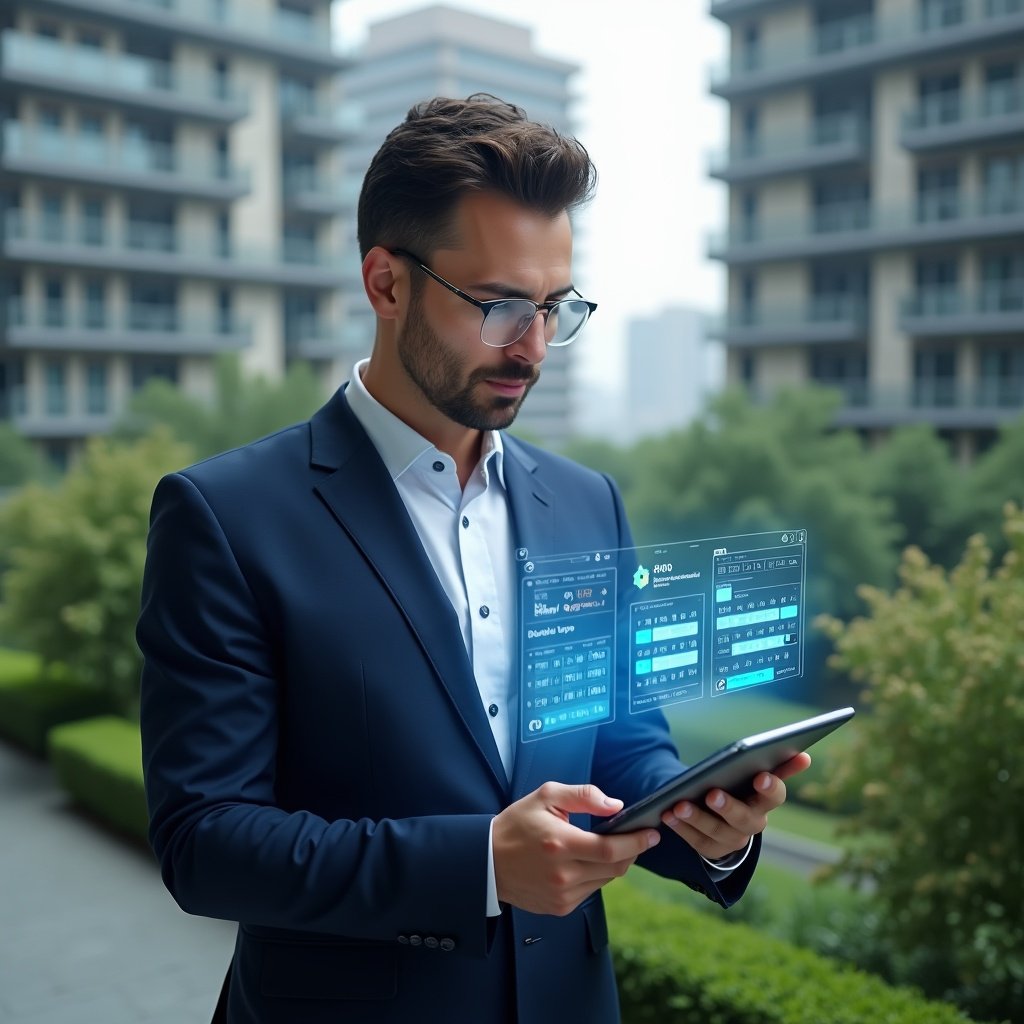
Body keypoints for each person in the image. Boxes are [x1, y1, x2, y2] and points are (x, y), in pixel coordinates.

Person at [137, 94, 809, 1024]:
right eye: (497, 305)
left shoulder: (586, 503)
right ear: (386, 283)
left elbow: (622, 745)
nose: (533, 346)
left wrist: (709, 828)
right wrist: (481, 863)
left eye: (552, 307)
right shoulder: (225, 515)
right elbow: (204, 842)